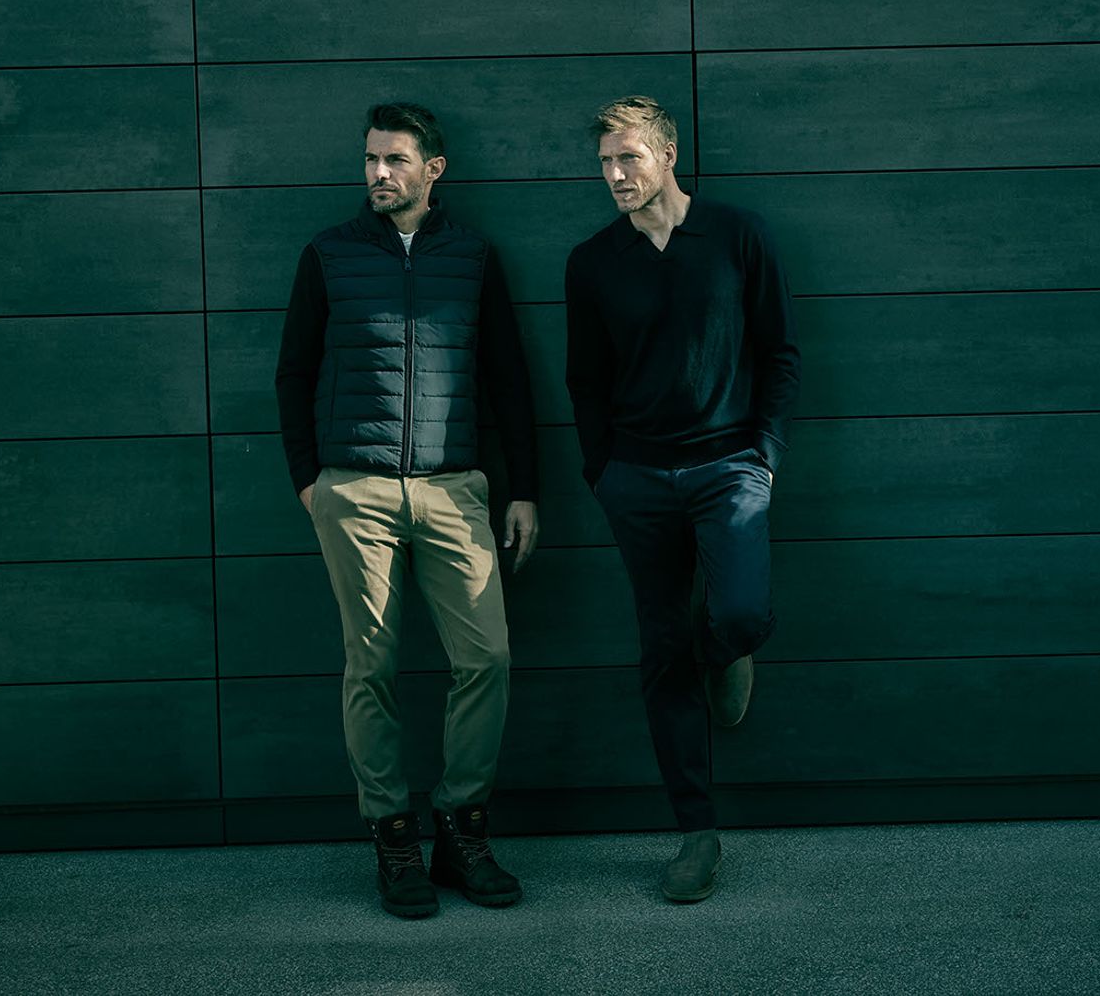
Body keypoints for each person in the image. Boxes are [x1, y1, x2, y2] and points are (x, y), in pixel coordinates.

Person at [274, 101, 541, 919]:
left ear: (434, 169)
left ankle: (462, 828)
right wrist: (310, 480)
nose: (378, 173)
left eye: (395, 160)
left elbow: (507, 380)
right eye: (369, 160)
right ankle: (393, 836)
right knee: (373, 667)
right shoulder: (328, 255)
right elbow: (293, 373)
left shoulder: (473, 256)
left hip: (455, 487)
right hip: (353, 490)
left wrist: (523, 487)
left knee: (486, 657)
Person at [563, 95, 801, 904]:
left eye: (628, 157)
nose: (615, 175)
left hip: (729, 465)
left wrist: (764, 458)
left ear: (668, 153)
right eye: (604, 163)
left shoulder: (738, 234)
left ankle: (730, 651)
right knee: (661, 649)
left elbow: (780, 352)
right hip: (636, 477)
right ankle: (697, 833)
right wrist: (604, 472)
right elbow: (585, 382)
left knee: (736, 613)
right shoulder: (592, 262)